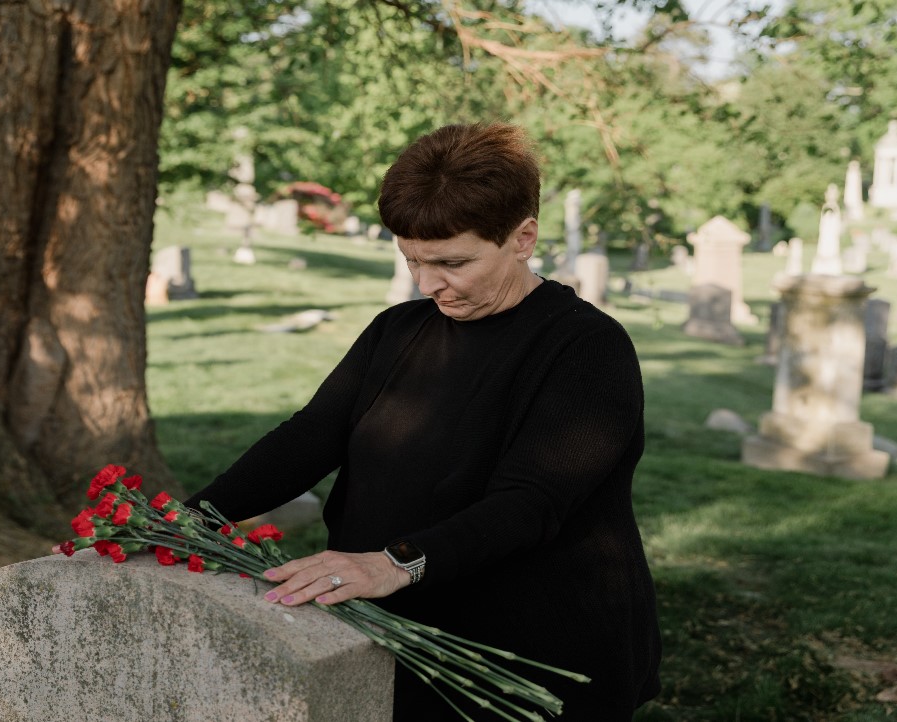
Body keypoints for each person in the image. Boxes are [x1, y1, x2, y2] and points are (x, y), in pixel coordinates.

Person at [186, 122, 661, 720]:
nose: (428, 284)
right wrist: (189, 521)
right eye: (411, 259)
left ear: (523, 237)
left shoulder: (588, 348)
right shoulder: (397, 331)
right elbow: (310, 437)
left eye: (452, 262)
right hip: (395, 627)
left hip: (529, 650)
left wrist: (392, 562)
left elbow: (531, 502)